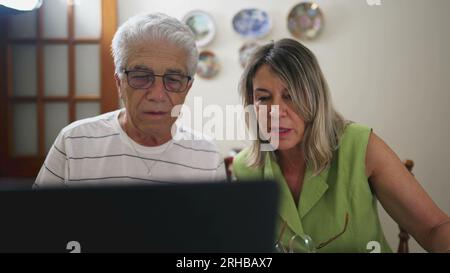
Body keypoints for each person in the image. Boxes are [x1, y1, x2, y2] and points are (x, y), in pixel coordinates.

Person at [232, 38, 450, 253]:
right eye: (263, 98)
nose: (276, 112)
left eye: (290, 96)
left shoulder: (359, 145)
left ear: (315, 99)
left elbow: (433, 228)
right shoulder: (244, 168)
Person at [34, 13, 226, 188]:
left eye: (173, 80)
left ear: (188, 88)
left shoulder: (207, 156)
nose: (157, 95)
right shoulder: (74, 142)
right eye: (141, 76)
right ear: (119, 83)